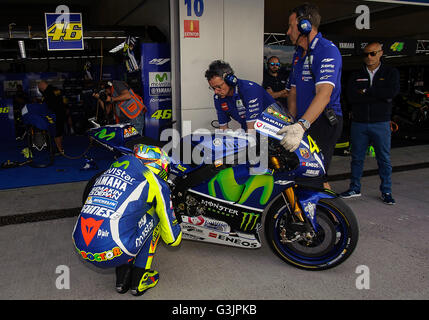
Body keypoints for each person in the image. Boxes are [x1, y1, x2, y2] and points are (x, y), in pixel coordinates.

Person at [72, 144, 182, 296]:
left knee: (127, 218)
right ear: (160, 165)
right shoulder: (156, 182)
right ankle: (140, 280)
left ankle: (122, 280)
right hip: (114, 250)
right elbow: (172, 239)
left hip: (80, 246)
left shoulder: (108, 171)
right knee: (156, 216)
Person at [278, 3, 343, 190]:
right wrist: (291, 120)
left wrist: (300, 126)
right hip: (303, 122)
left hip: (323, 122)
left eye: (291, 26)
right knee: (299, 175)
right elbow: (293, 92)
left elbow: (324, 94)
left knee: (315, 177)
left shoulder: (326, 49)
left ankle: (331, 217)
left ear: (304, 25)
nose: (288, 31)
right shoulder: (298, 54)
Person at [340, 42, 400, 205]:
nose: (369, 57)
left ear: (381, 53)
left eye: (373, 53)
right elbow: (352, 97)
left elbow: (391, 93)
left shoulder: (390, 73)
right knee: (357, 158)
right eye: (366, 54)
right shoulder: (356, 74)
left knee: (384, 159)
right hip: (359, 123)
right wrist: (377, 95)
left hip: (381, 123)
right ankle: (354, 188)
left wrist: (366, 91)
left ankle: (386, 190)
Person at [205, 60, 277, 132]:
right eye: (213, 88)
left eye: (219, 86)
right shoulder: (218, 97)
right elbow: (223, 128)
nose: (216, 91)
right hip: (251, 131)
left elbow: (252, 129)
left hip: (275, 130)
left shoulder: (250, 89)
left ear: (230, 80)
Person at [37, 80, 67, 154]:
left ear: (42, 85)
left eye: (40, 88)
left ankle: (59, 150)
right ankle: (60, 148)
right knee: (60, 131)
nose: (40, 89)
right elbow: (62, 99)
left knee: (56, 132)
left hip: (54, 114)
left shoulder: (47, 92)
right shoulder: (56, 89)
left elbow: (46, 104)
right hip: (62, 112)